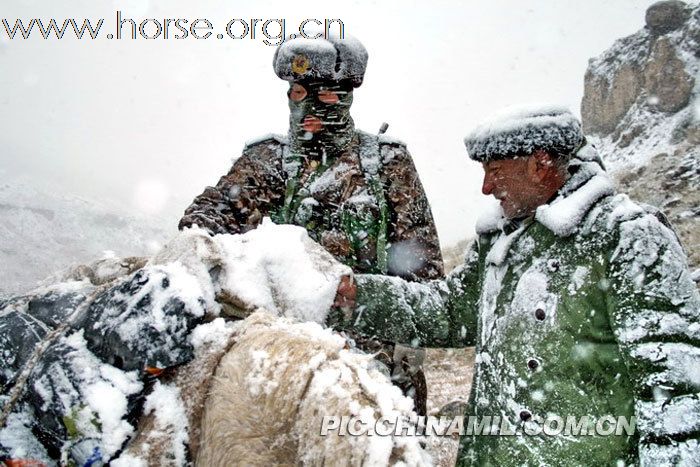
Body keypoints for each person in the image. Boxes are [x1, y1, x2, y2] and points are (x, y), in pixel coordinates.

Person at [331, 105, 700, 466]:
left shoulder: (627, 236)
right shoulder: (501, 239)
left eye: (494, 171)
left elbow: (675, 387)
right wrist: (356, 293)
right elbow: (449, 310)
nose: (486, 187)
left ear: (539, 165)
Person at [179, 35, 443, 281]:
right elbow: (216, 210)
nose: (309, 105)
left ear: (345, 97)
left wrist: (360, 298)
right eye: (299, 93)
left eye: (325, 94)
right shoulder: (268, 159)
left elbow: (424, 279)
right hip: (276, 323)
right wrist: (201, 239)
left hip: (360, 324)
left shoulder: (387, 163)